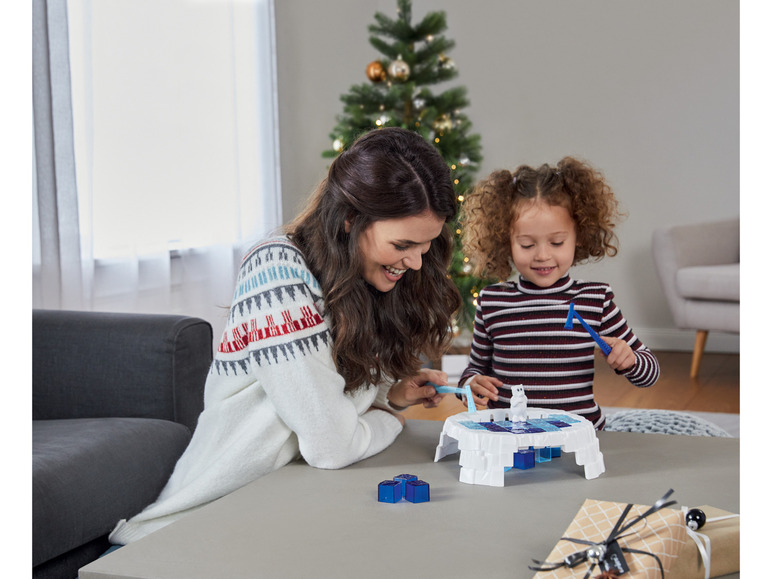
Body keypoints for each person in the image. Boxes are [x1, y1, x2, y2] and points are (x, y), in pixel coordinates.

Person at [109, 127, 462, 544]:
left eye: (425, 245)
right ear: (351, 219)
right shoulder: (276, 272)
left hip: (295, 504)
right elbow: (331, 446)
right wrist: (391, 419)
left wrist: (390, 395)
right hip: (201, 526)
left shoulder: (359, 281)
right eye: (403, 243)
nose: (417, 263)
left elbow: (328, 403)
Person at [457, 157, 659, 429]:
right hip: (510, 435)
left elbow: (650, 373)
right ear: (506, 241)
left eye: (557, 242)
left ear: (579, 236)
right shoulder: (492, 302)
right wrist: (470, 383)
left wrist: (630, 360)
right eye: (527, 244)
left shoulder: (595, 300)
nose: (543, 255)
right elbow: (473, 371)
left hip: (578, 435)